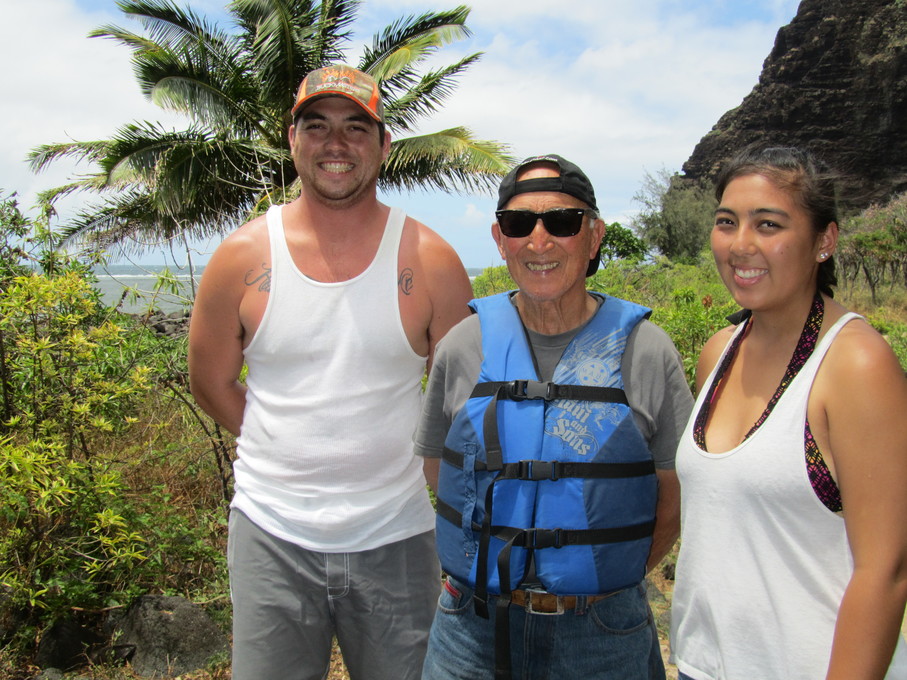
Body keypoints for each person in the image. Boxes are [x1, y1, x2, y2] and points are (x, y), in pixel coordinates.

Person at [187, 64, 474, 680]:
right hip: (271, 534)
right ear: (292, 140)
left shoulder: (431, 261)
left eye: (355, 128)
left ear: (383, 144)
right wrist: (281, 444)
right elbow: (209, 381)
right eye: (316, 127)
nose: (335, 145)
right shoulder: (241, 257)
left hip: (398, 534)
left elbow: (460, 405)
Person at [414, 154, 694, 680]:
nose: (539, 242)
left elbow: (673, 493)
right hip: (470, 628)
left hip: (602, 633)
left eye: (561, 222)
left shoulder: (647, 351)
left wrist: (604, 574)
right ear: (501, 240)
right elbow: (439, 469)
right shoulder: (463, 346)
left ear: (593, 237)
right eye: (521, 224)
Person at [670, 145, 907, 680]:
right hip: (701, 666)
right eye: (726, 222)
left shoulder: (854, 364)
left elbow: (885, 572)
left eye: (769, 224)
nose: (740, 245)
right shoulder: (719, 352)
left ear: (824, 240)